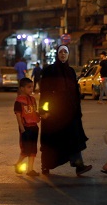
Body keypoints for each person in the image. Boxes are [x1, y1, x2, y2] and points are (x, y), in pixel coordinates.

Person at [39, 45, 92, 176]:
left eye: (65, 52)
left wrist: (77, 111)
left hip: (70, 112)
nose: (63, 54)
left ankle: (79, 165)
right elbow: (44, 92)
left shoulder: (71, 71)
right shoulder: (50, 70)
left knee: (74, 138)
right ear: (57, 54)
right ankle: (46, 165)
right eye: (61, 52)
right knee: (53, 140)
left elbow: (75, 93)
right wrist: (44, 110)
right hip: (54, 112)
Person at [14, 77, 42, 176]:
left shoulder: (33, 99)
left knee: (33, 149)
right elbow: (18, 114)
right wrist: (21, 128)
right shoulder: (19, 101)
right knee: (26, 150)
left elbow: (34, 111)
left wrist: (39, 115)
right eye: (29, 87)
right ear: (22, 88)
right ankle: (18, 164)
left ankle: (30, 169)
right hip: (26, 128)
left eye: (32, 87)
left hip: (34, 126)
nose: (31, 89)